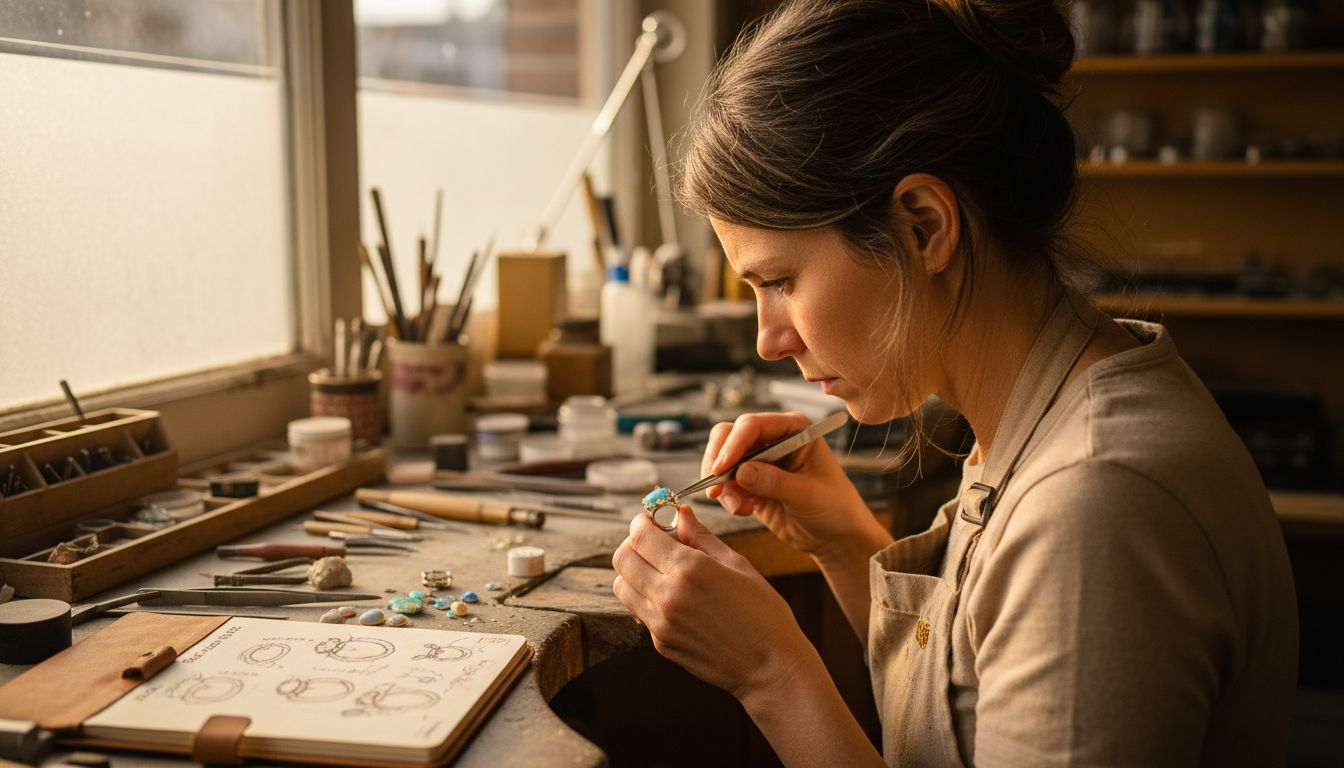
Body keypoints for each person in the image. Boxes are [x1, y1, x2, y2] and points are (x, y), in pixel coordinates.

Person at [609, 1, 1299, 765]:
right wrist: (844, 542)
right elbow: (976, 690)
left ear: (924, 227)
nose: (771, 341)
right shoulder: (1040, 416)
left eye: (779, 281)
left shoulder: (1096, 502)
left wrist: (770, 674)